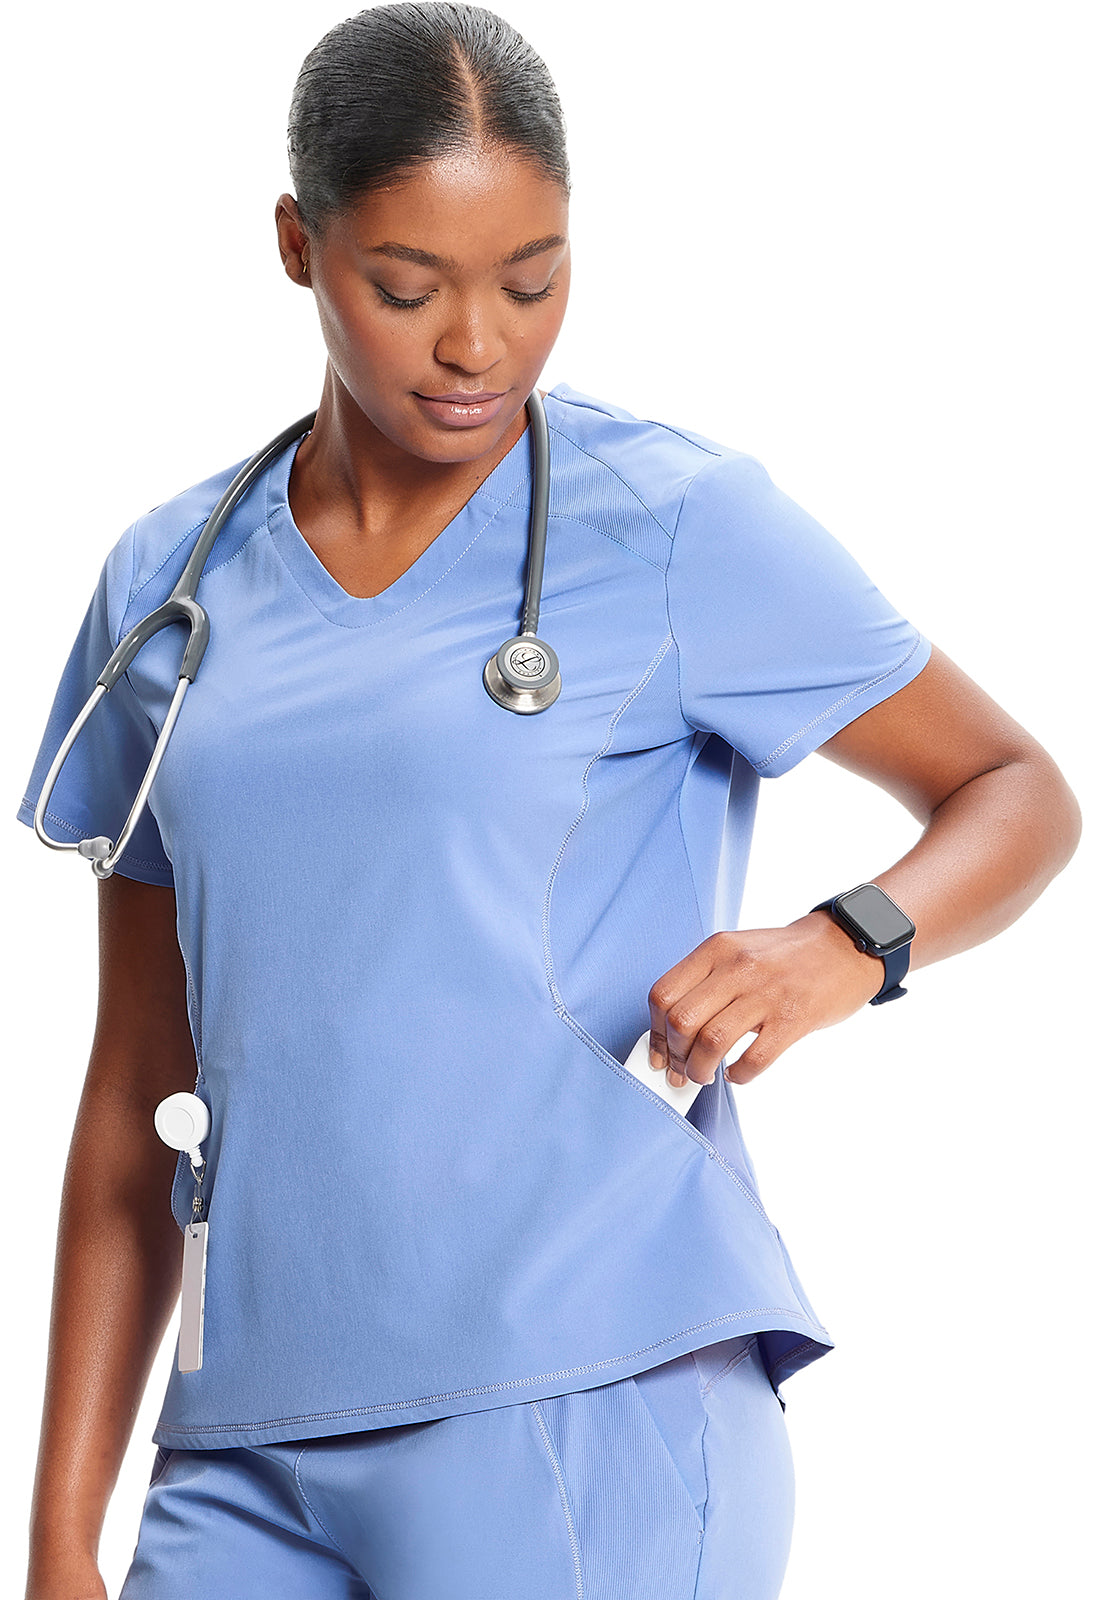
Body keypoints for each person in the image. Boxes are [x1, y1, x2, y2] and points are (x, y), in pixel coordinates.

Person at [16, 5, 1081, 1599]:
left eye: (532, 280)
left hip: (588, 1393)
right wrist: (58, 1531)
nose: (478, 346)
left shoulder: (670, 523)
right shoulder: (172, 582)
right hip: (242, 1445)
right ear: (299, 246)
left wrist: (843, 945)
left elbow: (1018, 789)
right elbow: (136, 1081)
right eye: (407, 288)